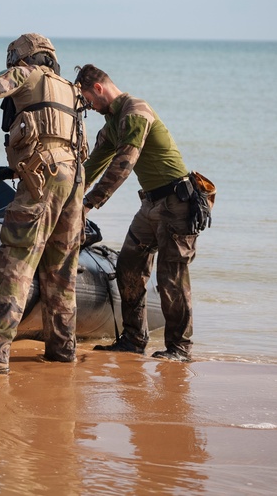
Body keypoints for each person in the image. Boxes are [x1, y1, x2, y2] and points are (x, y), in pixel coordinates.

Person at [0, 34, 87, 372]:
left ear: (21, 57)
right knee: (61, 270)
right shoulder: (70, 88)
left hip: (44, 177)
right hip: (74, 179)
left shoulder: (26, 75)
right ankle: (62, 350)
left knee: (16, 262)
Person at [75, 64, 198, 362]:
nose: (88, 107)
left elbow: (123, 165)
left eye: (87, 100)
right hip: (151, 205)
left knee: (172, 278)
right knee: (129, 267)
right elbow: (91, 166)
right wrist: (70, 195)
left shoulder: (135, 111)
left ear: (99, 88)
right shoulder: (112, 125)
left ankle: (179, 348)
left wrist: (88, 204)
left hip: (177, 203)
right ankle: (133, 339)